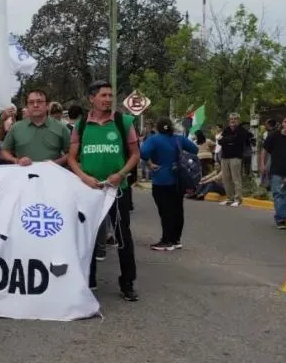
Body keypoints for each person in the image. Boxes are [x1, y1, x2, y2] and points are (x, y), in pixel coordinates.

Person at [68, 80, 140, 302]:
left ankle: (127, 283)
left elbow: (135, 155)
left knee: (122, 237)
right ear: (92, 98)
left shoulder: (123, 122)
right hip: (89, 190)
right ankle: (89, 279)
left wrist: (121, 174)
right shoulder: (81, 125)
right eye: (103, 95)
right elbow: (71, 158)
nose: (108, 99)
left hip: (117, 191)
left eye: (110, 95)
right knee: (87, 235)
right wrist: (84, 178)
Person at [140, 117, 198, 251]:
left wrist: (150, 164)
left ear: (157, 127)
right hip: (178, 179)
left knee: (165, 211)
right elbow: (194, 149)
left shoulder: (154, 139)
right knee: (177, 209)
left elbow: (143, 152)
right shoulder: (179, 139)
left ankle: (166, 240)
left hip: (161, 179)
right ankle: (176, 239)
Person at [0, 89, 70, 166]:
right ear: (27, 106)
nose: (35, 105)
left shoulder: (61, 128)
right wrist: (17, 160)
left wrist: (55, 163)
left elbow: (71, 154)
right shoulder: (16, 128)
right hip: (24, 172)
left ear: (47, 105)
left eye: (39, 101)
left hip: (53, 172)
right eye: (31, 102)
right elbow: (4, 152)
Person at [218, 113, 249, 207]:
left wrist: (226, 140)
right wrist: (230, 140)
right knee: (226, 179)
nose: (233, 120)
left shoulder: (242, 130)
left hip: (236, 157)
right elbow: (220, 141)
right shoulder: (226, 129)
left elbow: (238, 140)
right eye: (231, 119)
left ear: (238, 120)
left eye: (235, 119)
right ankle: (229, 198)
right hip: (224, 157)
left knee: (236, 178)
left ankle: (238, 199)